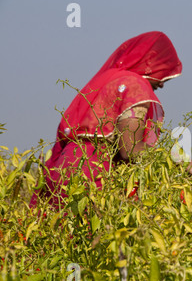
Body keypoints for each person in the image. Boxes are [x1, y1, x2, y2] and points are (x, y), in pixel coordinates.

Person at [29, 31, 183, 209]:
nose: (162, 83)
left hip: (64, 171)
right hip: (92, 178)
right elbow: (129, 149)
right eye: (162, 72)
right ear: (150, 62)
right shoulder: (135, 85)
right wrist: (172, 162)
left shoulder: (109, 80)